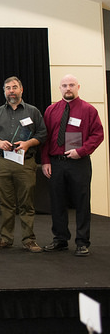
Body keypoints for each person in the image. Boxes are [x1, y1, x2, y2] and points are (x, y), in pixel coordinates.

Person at [41, 74, 104, 257]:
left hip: (79, 162)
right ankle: (60, 239)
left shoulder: (89, 110)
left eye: (71, 85)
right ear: (59, 88)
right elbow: (45, 139)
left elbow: (98, 135)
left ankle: (82, 242)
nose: (67, 88)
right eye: (64, 85)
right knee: (57, 202)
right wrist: (45, 161)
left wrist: (82, 151)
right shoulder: (51, 110)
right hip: (56, 163)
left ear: (78, 87)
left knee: (81, 202)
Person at [0, 76, 47, 253]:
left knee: (27, 203)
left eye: (14, 87)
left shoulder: (33, 111)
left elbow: (42, 134)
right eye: (7, 88)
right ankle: (5, 238)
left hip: (25, 163)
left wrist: (28, 144)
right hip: (3, 162)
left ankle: (29, 240)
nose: (11, 91)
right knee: (5, 203)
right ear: (4, 91)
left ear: (21, 90)